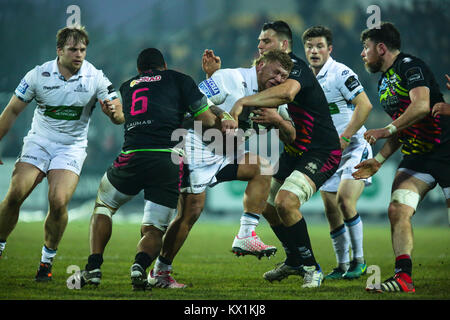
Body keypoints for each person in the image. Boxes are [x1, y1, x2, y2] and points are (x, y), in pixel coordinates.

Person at [79, 48, 229, 290]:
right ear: (164, 65)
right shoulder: (180, 79)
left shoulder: (128, 86)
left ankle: (94, 267)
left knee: (104, 205)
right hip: (167, 160)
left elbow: (122, 118)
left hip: (132, 156)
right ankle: (139, 264)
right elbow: (208, 121)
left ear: (140, 70)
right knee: (155, 229)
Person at [148, 50, 295, 288]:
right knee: (190, 212)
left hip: (227, 153)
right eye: (276, 72)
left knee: (263, 168)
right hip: (195, 145)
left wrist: (278, 120)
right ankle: (160, 272)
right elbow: (193, 100)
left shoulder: (274, 98)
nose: (279, 79)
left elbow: (291, 136)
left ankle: (246, 234)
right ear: (261, 65)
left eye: (283, 76)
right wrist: (224, 112)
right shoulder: (230, 78)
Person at [0, 26, 123, 281]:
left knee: (58, 202)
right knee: (15, 194)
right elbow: (11, 111)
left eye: (82, 49)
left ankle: (46, 263)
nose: (79, 54)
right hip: (39, 142)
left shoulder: (95, 77)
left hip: (71, 148)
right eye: (73, 49)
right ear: (59, 51)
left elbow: (119, 115)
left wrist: (113, 113)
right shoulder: (38, 75)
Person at [230, 21, 342, 288]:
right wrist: (275, 122)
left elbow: (289, 93)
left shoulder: (296, 67)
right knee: (266, 204)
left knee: (286, 202)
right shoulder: (268, 78)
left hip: (321, 150)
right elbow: (287, 131)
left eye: (266, 41)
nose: (259, 46)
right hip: (295, 151)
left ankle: (312, 268)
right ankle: (293, 259)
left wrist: (243, 102)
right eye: (258, 41)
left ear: (284, 45)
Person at [354, 22, 449, 293]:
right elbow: (403, 123)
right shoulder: (385, 81)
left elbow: (421, 106)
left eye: (366, 47)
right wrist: (380, 160)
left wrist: (386, 129)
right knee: (397, 209)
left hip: (445, 151)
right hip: (416, 158)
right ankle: (403, 278)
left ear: (381, 48)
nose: (363, 53)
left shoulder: (410, 66)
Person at [301, 26, 373, 280]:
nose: (314, 51)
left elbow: (364, 105)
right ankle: (341, 265)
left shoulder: (340, 73)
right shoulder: (305, 80)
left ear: (329, 49)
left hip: (354, 147)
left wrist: (345, 137)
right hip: (329, 153)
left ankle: (360, 261)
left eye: (319, 46)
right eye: (310, 46)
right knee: (331, 209)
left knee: (344, 200)